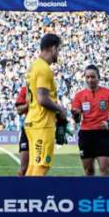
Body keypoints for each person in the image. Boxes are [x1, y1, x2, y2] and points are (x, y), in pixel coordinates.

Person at [24, 33, 67, 177]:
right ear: (53, 48)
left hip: (33, 121)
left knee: (32, 166)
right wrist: (60, 109)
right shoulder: (44, 69)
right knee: (41, 166)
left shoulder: (33, 66)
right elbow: (42, 99)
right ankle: (33, 197)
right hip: (42, 123)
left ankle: (26, 198)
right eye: (58, 50)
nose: (58, 53)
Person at [71, 64, 109, 176]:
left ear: (99, 77)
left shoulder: (108, 93)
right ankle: (90, 193)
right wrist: (76, 115)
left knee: (104, 168)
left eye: (93, 77)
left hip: (102, 134)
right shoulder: (79, 96)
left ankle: (104, 193)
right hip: (86, 135)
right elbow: (77, 120)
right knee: (89, 171)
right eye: (87, 77)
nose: (90, 80)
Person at [14, 85, 30, 176]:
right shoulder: (25, 89)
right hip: (28, 128)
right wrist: (28, 105)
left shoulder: (46, 88)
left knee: (38, 168)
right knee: (24, 168)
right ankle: (18, 189)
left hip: (42, 130)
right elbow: (19, 110)